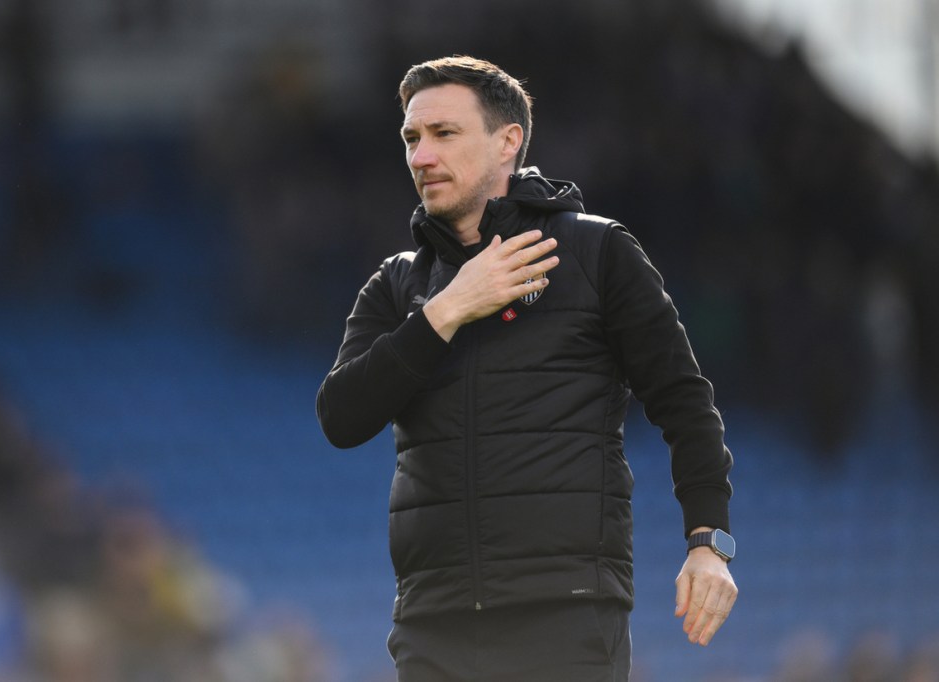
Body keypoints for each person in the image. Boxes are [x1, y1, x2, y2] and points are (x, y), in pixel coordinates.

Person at [316, 55, 737, 681]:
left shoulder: (596, 251)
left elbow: (683, 401)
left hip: (564, 613)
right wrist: (450, 307)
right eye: (411, 138)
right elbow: (341, 418)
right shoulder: (398, 285)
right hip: (433, 624)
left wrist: (709, 542)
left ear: (507, 140)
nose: (421, 156)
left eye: (444, 133)